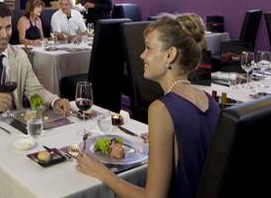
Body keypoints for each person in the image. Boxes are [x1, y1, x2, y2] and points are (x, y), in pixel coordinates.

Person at [76, 14, 220, 198]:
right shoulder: (208, 100)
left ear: (170, 54)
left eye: (149, 48)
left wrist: (101, 172)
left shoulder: (161, 109)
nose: (142, 55)